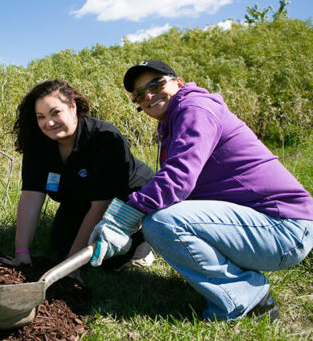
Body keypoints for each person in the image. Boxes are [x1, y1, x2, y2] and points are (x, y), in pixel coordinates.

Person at [89, 60, 313, 321]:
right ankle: (229, 282)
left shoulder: (195, 109)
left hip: (283, 228)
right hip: (262, 225)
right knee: (165, 216)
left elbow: (178, 178)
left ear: (178, 83)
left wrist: (124, 217)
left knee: (162, 222)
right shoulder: (175, 122)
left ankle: (248, 300)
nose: (148, 95)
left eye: (156, 84)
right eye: (139, 94)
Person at [0, 80, 155, 271]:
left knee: (103, 262)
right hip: (81, 198)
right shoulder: (38, 143)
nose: (49, 123)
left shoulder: (104, 138)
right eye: (41, 116)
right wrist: (21, 253)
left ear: (73, 107)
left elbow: (101, 204)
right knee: (59, 245)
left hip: (125, 200)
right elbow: (31, 196)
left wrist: (71, 264)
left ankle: (142, 244)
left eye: (55, 113)